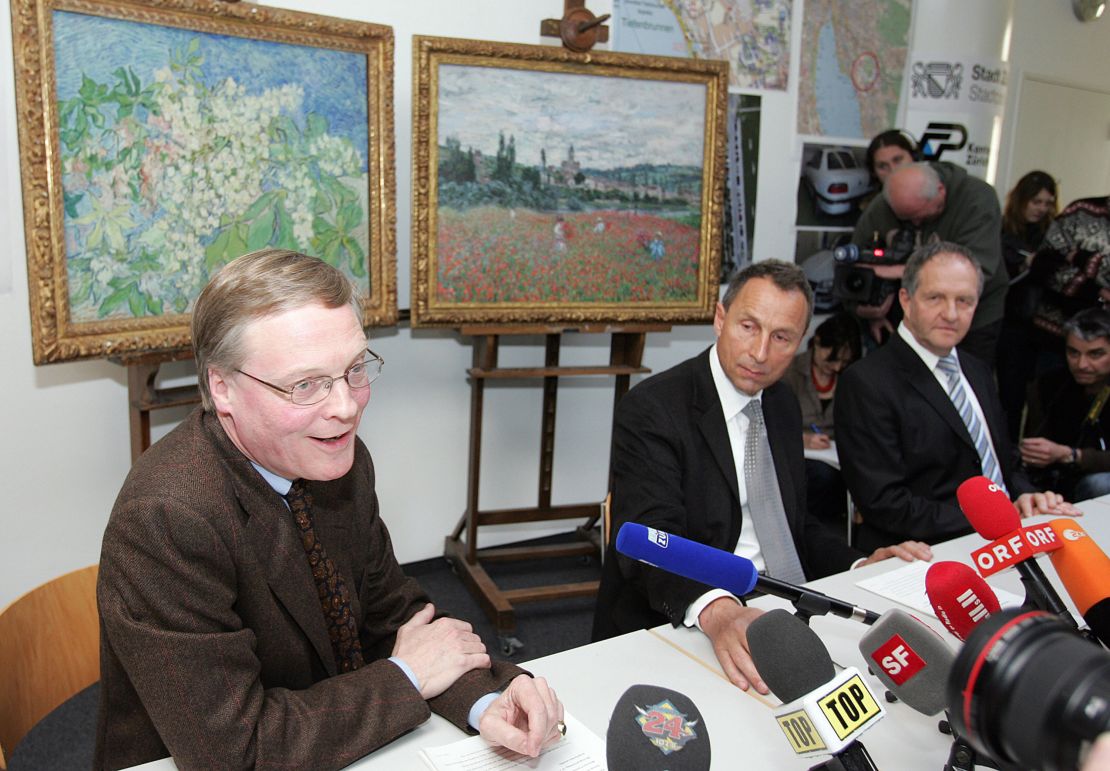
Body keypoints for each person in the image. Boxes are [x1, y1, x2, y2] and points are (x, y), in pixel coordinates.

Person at [95, 250, 564, 770]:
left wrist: (487, 697)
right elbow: (233, 752)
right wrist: (405, 677)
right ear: (222, 387)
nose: (346, 407)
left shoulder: (336, 457)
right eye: (306, 384)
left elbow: (390, 616)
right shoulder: (167, 520)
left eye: (355, 369)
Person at [592, 261, 931, 694]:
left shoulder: (782, 403)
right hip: (688, 609)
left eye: (782, 338)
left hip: (781, 601)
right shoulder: (654, 408)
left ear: (800, 343)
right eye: (748, 327)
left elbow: (794, 524)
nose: (760, 352)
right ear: (720, 318)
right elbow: (653, 539)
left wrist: (858, 564)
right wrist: (718, 609)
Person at [835, 242, 1078, 553]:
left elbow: (1004, 462)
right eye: (935, 298)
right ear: (906, 301)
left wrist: (1027, 496)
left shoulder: (976, 369)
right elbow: (884, 503)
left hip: (1009, 540)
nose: (950, 314)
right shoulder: (867, 382)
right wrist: (994, 517)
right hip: (929, 555)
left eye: (964, 301)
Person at [852, 162, 1008, 364]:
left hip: (973, 319)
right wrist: (867, 308)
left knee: (965, 385)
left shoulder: (976, 199)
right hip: (911, 319)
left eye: (920, 216)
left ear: (941, 191)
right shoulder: (887, 203)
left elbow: (976, 270)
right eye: (906, 218)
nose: (916, 224)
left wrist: (898, 271)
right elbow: (855, 265)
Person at [781, 312, 863, 529]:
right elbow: (773, 423)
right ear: (817, 342)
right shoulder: (789, 372)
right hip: (802, 451)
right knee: (822, 477)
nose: (836, 367)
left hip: (839, 451)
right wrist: (804, 439)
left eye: (844, 362)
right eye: (832, 358)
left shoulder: (851, 377)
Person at [1021, 307, 1110, 501]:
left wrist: (1072, 455)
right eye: (1073, 353)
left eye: (1095, 354)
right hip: (1058, 483)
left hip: (1097, 479)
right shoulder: (1050, 385)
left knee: (1098, 485)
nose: (1082, 364)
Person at [997, 171, 1059, 438]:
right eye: (1036, 202)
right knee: (1009, 395)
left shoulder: (1052, 234)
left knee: (1038, 398)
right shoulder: (1001, 230)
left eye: (1047, 203)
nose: (1041, 209)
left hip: (1040, 326)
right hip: (1009, 322)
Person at [1028, 194, 1110, 362]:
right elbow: (1044, 264)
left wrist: (1084, 260)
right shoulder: (1080, 212)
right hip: (1059, 338)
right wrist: (1097, 291)